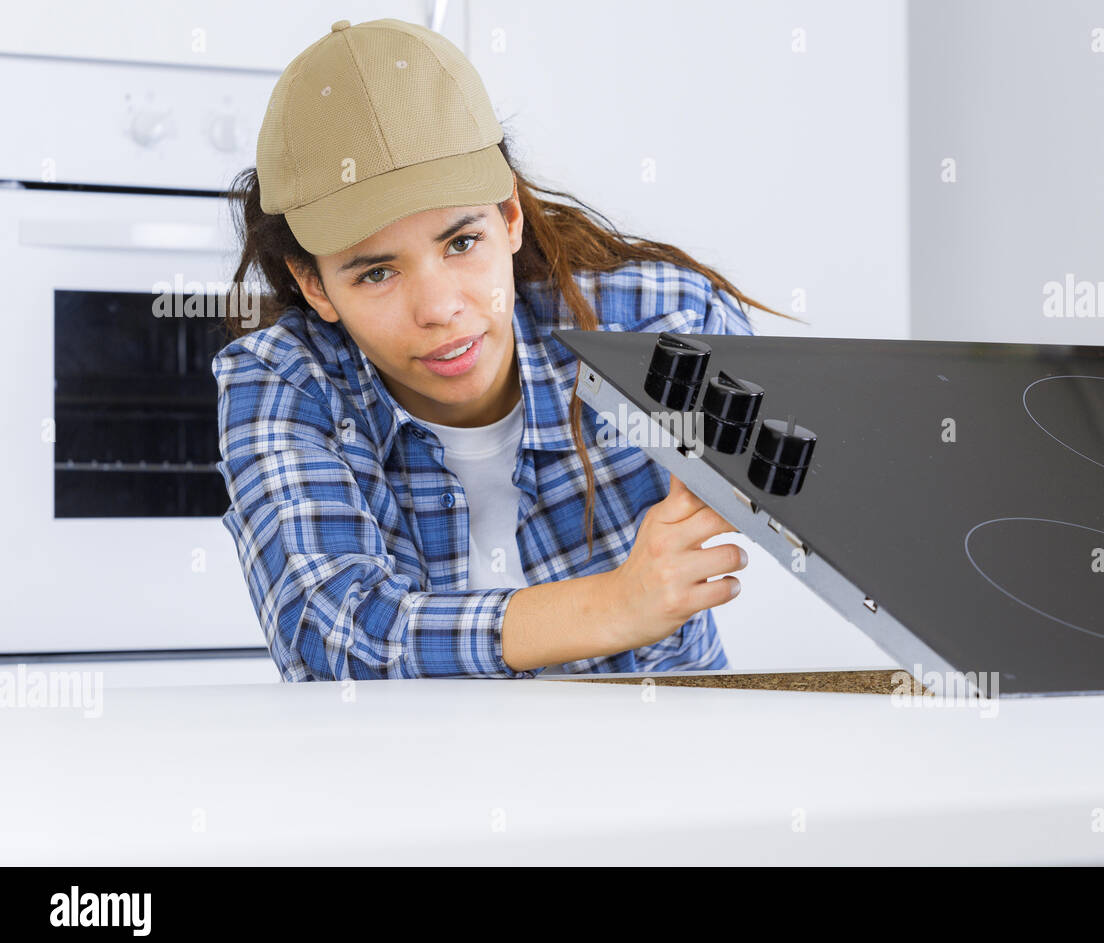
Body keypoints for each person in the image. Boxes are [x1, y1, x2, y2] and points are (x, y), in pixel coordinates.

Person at [213, 17, 798, 681]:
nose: (440, 310)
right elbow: (334, 632)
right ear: (314, 284)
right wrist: (616, 605)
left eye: (461, 243)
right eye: (376, 272)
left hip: (660, 764)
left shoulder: (661, 323)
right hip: (401, 777)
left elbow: (840, 484)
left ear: (510, 218)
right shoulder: (284, 383)